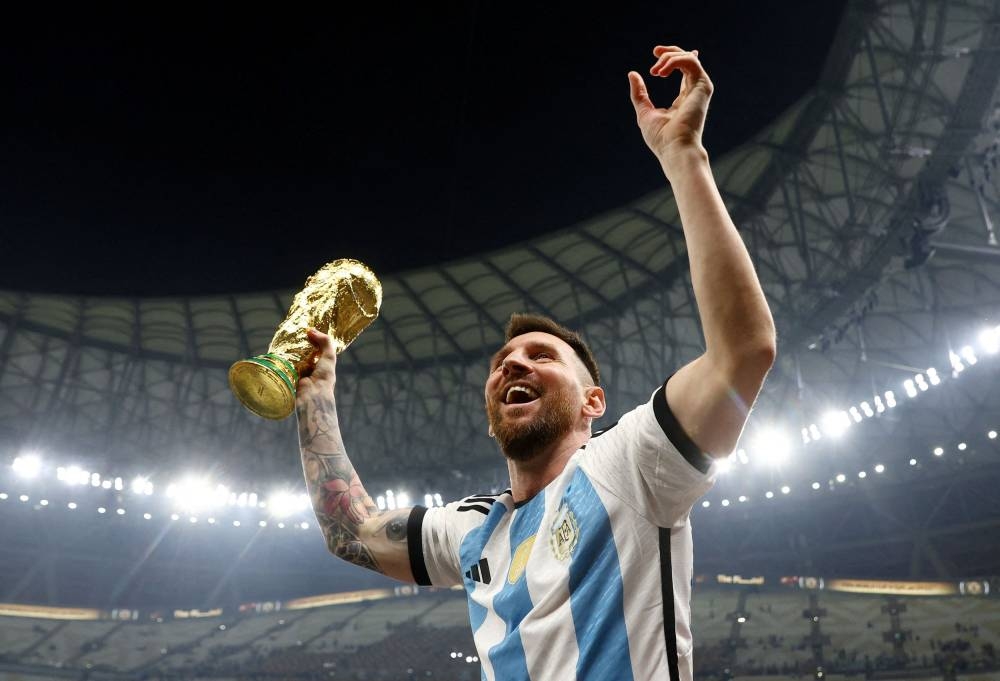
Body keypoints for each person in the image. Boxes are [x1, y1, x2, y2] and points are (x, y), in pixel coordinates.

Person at [295, 45, 776, 681]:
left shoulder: (629, 464)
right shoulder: (471, 530)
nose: (513, 365)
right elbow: (349, 531)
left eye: (541, 356)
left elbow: (744, 352)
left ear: (593, 402)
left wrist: (684, 156)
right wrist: (316, 397)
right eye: (502, 361)